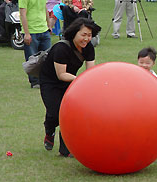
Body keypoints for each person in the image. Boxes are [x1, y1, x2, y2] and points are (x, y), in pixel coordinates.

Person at [39, 17, 101, 157]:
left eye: (89, 35)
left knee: (68, 115)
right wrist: (82, 80)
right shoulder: (61, 48)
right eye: (83, 35)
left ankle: (65, 150)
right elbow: (61, 74)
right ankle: (49, 130)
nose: (86, 39)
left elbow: (91, 71)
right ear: (74, 33)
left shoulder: (88, 48)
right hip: (51, 81)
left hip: (70, 81)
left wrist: (94, 82)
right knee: (55, 113)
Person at [19, 0, 52, 88]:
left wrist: (49, 25)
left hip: (44, 29)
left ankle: (46, 80)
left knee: (48, 57)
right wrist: (26, 33)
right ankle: (35, 82)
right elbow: (22, 14)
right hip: (31, 31)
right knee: (32, 59)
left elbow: (45, 9)